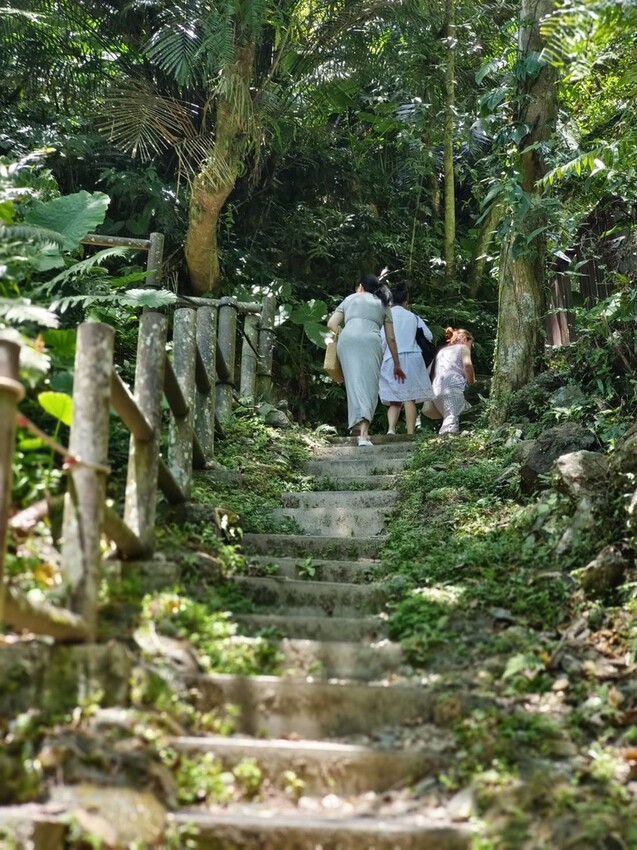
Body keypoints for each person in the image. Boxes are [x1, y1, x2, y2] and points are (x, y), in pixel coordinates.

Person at [327, 273, 405, 447]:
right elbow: (391, 338)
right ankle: (363, 435)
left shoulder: (349, 299)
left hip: (347, 341)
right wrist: (397, 364)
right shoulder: (383, 304)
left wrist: (345, 334)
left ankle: (356, 424)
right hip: (370, 342)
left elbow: (331, 324)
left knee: (354, 382)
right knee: (369, 385)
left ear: (360, 286)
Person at [379, 286, 435, 435]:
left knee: (394, 398)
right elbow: (429, 336)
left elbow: (383, 340)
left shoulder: (387, 316)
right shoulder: (413, 317)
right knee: (410, 398)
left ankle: (391, 430)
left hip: (392, 358)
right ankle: (410, 433)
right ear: (405, 301)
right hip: (413, 357)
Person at [426, 327, 475, 435]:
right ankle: (445, 443)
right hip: (453, 384)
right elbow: (467, 365)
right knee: (453, 418)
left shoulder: (441, 352)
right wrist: (472, 385)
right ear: (464, 339)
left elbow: (427, 372)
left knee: (450, 416)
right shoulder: (463, 348)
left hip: (436, 388)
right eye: (470, 343)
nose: (470, 347)